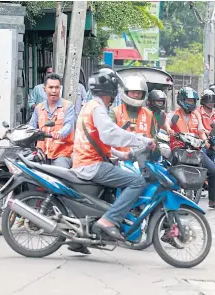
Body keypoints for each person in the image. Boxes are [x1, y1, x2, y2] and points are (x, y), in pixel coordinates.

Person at [72, 68, 155, 253]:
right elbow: (111, 134)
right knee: (136, 182)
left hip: (86, 161)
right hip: (92, 165)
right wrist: (142, 140)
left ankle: (80, 239)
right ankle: (109, 220)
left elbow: (97, 140)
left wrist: (122, 155)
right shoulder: (99, 109)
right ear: (110, 90)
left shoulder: (89, 106)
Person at [165, 87, 215, 211]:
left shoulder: (196, 115)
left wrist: (205, 140)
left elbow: (200, 131)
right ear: (181, 100)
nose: (191, 103)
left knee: (213, 170)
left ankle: (213, 201)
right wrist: (169, 129)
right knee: (171, 172)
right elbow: (166, 123)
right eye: (189, 100)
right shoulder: (174, 114)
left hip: (195, 148)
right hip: (179, 148)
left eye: (193, 101)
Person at [29, 73, 74, 168]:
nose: (54, 91)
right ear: (44, 89)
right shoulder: (39, 108)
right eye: (51, 87)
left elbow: (68, 125)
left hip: (61, 153)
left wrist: (60, 133)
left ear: (60, 89)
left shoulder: (68, 106)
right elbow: (31, 127)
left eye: (57, 87)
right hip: (41, 153)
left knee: (60, 177)